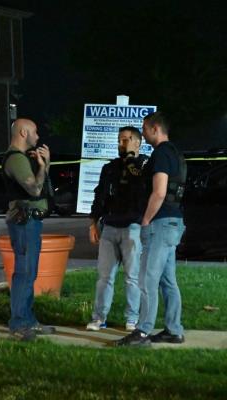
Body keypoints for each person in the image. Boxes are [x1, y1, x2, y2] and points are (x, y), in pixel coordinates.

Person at [116, 111, 187, 346]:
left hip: (160, 222)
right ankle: (173, 330)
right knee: (168, 281)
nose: (143, 134)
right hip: (174, 222)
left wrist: (145, 220)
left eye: (145, 129)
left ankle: (143, 331)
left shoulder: (161, 154)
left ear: (155, 128)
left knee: (147, 279)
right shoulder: (175, 153)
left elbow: (159, 191)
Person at [86, 127, 149, 332]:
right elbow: (100, 195)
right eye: (120, 140)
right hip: (110, 226)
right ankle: (98, 318)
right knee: (104, 277)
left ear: (137, 143)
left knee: (132, 277)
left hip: (133, 226)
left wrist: (131, 158)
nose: (121, 144)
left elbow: (140, 184)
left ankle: (132, 319)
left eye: (126, 140)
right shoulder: (110, 168)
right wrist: (93, 222)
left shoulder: (144, 165)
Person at [1, 118, 56, 341]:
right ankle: (19, 323)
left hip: (30, 222)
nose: (38, 136)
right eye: (35, 132)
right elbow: (34, 189)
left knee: (29, 273)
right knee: (24, 273)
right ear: (23, 133)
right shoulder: (15, 159)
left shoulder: (22, 158)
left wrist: (45, 164)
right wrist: (43, 167)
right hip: (24, 222)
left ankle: (28, 320)